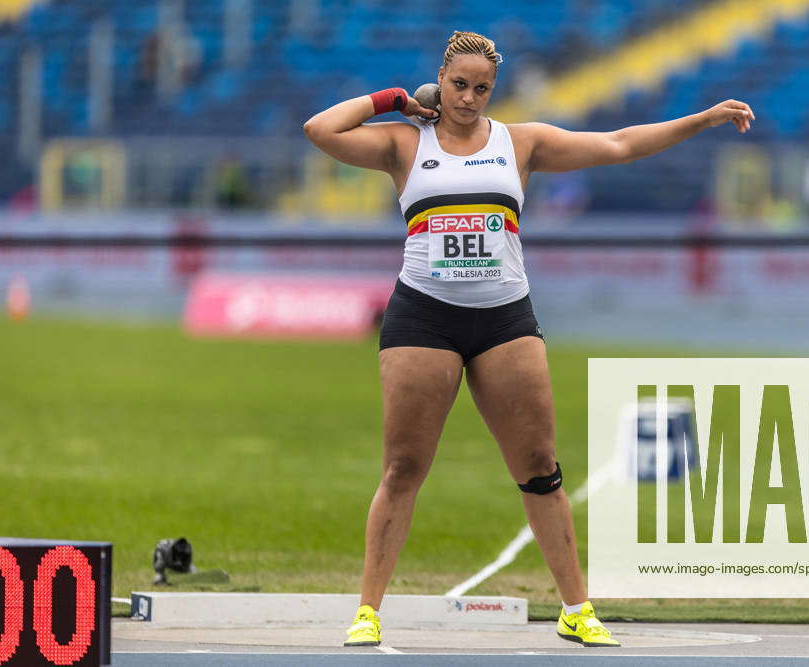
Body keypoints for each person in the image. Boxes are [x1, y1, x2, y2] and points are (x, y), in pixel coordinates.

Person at [303, 30, 754, 649]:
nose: (468, 98)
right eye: (458, 85)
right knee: (404, 467)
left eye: (482, 88)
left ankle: (576, 608)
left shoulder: (522, 143)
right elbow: (319, 130)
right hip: (422, 319)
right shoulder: (405, 145)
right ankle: (368, 611)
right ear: (442, 79)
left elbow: (620, 143)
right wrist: (395, 100)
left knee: (540, 468)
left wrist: (701, 119)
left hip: (503, 320)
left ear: (495, 90)